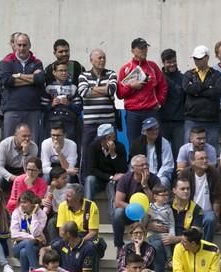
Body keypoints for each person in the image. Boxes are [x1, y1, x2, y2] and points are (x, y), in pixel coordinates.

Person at [147, 177, 204, 272]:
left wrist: (176, 239)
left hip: (183, 243)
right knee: (156, 245)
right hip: (164, 241)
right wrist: (150, 225)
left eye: (188, 189)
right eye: (182, 189)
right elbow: (147, 219)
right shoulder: (166, 205)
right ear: (174, 190)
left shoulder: (196, 209)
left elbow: (196, 233)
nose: (186, 191)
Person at [117, 37, 167, 146]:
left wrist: (160, 101)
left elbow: (163, 85)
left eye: (145, 48)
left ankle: (156, 163)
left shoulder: (153, 66)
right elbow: (120, 94)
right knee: (134, 144)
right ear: (133, 50)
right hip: (133, 112)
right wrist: (132, 86)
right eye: (140, 48)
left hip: (151, 111)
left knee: (156, 143)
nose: (144, 50)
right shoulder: (125, 69)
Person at [0, 33, 45, 144]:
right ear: (15, 45)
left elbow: (40, 80)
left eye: (24, 45)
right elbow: (7, 81)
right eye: (19, 45)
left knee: (32, 143)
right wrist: (31, 78)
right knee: (9, 143)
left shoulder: (37, 63)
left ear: (30, 45)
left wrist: (18, 76)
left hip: (33, 109)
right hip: (12, 109)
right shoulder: (6, 62)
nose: (22, 48)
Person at [77, 48, 117, 176]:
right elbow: (83, 92)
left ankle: (110, 178)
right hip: (90, 123)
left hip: (108, 122)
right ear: (91, 60)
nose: (102, 60)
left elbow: (111, 90)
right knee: (87, 152)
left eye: (104, 58)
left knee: (110, 150)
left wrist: (92, 89)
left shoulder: (111, 73)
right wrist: (102, 89)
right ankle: (84, 181)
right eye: (99, 58)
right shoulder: (84, 75)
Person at [113, 154, 160, 249]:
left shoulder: (154, 179)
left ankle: (141, 246)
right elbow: (118, 202)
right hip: (130, 212)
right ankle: (119, 246)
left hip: (148, 213)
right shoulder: (125, 179)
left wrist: (145, 186)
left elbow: (156, 203)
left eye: (147, 164)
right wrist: (134, 209)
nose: (145, 167)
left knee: (145, 215)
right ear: (133, 168)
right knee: (118, 213)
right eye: (142, 165)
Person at [182, 45, 221, 149]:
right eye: (195, 59)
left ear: (207, 58)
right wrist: (207, 87)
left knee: (211, 150)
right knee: (188, 149)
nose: (197, 61)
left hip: (211, 120)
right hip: (192, 118)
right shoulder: (188, 74)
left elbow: (217, 92)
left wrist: (197, 91)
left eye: (200, 59)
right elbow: (188, 89)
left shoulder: (216, 74)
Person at [179, 150, 221, 242]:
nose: (205, 161)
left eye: (206, 158)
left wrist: (217, 218)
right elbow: (179, 193)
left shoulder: (213, 173)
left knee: (210, 219)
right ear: (193, 161)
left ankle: (207, 245)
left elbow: (217, 198)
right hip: (190, 210)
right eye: (201, 158)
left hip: (207, 211)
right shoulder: (185, 173)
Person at [84, 123, 127, 203]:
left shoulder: (120, 147)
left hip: (114, 181)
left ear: (113, 137)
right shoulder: (93, 147)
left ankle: (114, 214)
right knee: (90, 179)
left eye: (106, 138)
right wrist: (110, 177)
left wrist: (113, 154)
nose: (103, 141)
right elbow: (92, 169)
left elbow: (123, 170)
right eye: (101, 139)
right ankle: (87, 209)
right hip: (99, 179)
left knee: (113, 185)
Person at [43, 60, 83, 142]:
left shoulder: (73, 88)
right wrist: (52, 104)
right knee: (52, 146)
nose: (64, 73)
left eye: (65, 70)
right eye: (61, 70)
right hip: (52, 121)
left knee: (69, 145)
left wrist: (69, 104)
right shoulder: (48, 88)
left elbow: (79, 108)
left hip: (69, 122)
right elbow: (42, 108)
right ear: (54, 72)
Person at [128, 117, 174, 187]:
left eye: (156, 129)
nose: (154, 132)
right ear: (144, 132)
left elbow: (168, 164)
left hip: (160, 176)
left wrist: (156, 178)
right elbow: (132, 165)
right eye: (150, 130)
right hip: (141, 175)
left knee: (163, 182)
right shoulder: (137, 144)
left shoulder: (164, 143)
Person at [10, 190, 47, 272]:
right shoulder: (16, 212)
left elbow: (36, 232)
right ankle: (36, 270)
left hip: (36, 246)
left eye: (25, 202)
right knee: (28, 243)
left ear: (32, 203)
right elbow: (14, 234)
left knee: (24, 252)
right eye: (21, 202)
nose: (22, 205)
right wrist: (32, 238)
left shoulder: (41, 214)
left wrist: (34, 215)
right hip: (17, 247)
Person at [0, 123, 39, 188]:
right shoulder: (4, 144)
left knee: (34, 178)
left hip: (24, 173)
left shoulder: (33, 147)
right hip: (8, 172)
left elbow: (31, 170)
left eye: (29, 136)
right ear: (15, 135)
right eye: (24, 136)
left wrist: (25, 154)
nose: (27, 139)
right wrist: (12, 177)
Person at [159, 48, 186, 157]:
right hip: (162, 122)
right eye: (169, 62)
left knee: (178, 155)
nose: (172, 64)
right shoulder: (159, 78)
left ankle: (177, 175)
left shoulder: (183, 78)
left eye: (174, 61)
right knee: (162, 154)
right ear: (164, 63)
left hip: (179, 123)